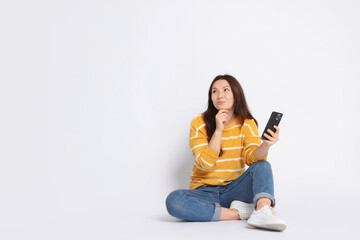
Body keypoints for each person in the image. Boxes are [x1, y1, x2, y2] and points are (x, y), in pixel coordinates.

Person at [165, 74, 287, 231]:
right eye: (214, 91)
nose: (219, 95)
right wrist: (219, 130)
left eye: (225, 90)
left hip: (234, 190)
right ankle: (238, 213)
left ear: (236, 94)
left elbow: (252, 159)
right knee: (174, 201)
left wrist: (266, 144)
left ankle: (263, 211)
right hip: (204, 192)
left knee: (263, 165)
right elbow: (205, 163)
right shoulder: (199, 123)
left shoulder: (247, 123)